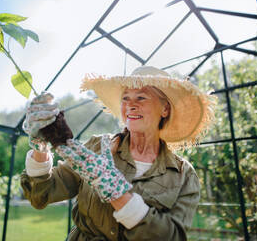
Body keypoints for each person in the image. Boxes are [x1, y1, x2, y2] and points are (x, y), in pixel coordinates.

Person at [21, 66, 216, 240]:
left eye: (141, 97)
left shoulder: (183, 175)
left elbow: (171, 236)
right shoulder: (97, 148)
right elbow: (41, 195)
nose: (131, 104)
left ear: (164, 108)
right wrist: (41, 146)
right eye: (125, 98)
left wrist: (116, 192)